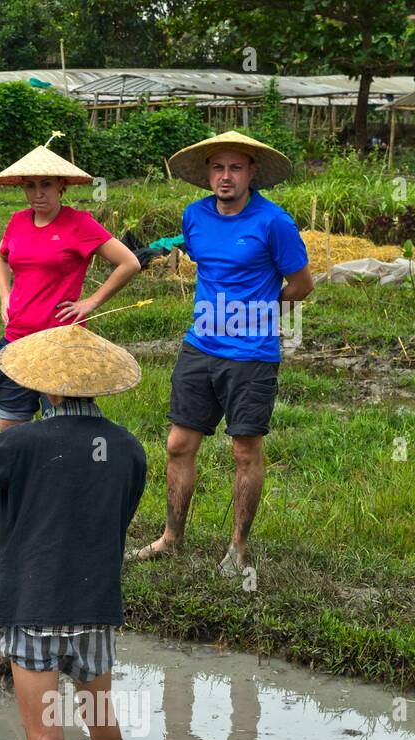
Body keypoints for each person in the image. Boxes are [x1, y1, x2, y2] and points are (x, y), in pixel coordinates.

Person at [0, 323, 147, 740]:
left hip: (32, 606)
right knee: (103, 727)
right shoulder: (128, 449)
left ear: (53, 392)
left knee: (45, 739)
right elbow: (116, 521)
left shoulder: (21, 442)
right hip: (94, 604)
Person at [134, 132, 313, 575]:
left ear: (252, 173)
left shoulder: (275, 223)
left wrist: (261, 309)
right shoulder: (195, 216)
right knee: (178, 444)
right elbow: (204, 259)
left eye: (236, 168)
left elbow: (302, 284)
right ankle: (171, 537)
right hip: (200, 346)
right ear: (207, 173)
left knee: (244, 450)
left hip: (251, 353)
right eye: (218, 168)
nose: (226, 176)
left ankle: (237, 548)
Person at [0, 141, 140, 430]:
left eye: (46, 184)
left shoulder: (79, 224)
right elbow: (0, 256)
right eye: (30, 185)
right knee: (10, 428)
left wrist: (91, 302)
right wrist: (4, 294)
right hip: (16, 340)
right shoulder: (18, 222)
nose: (37, 193)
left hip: (61, 345)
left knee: (63, 429)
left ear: (61, 186)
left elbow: (129, 263)